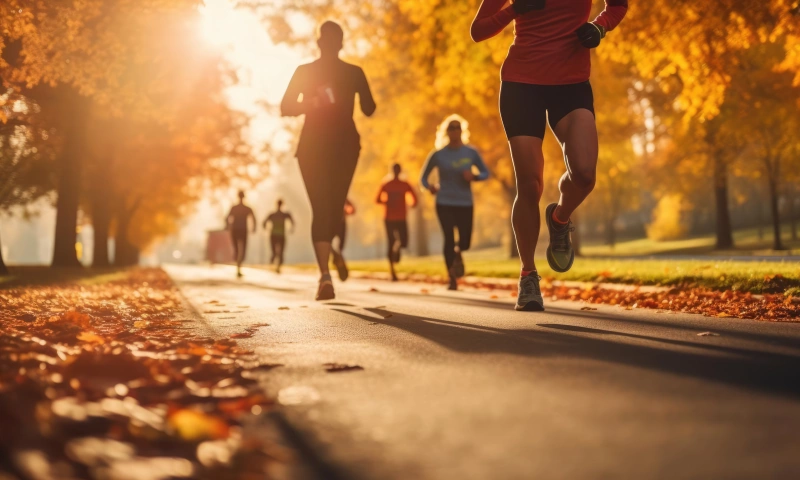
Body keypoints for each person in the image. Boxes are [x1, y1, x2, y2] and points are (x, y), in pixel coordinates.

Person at [470, 0, 628, 311]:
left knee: (584, 173)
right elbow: (478, 30)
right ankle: (528, 276)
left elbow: (619, 5)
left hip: (571, 83)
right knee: (530, 185)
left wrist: (600, 27)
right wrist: (516, 9)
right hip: (521, 84)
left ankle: (560, 218)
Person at [281, 21, 376, 301]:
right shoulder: (351, 72)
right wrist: (316, 103)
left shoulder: (309, 71)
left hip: (323, 148)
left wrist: (308, 104)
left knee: (329, 207)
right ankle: (325, 275)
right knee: (329, 206)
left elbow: (286, 107)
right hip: (333, 147)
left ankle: (327, 264)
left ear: (320, 43)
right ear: (341, 43)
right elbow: (370, 110)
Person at [420, 115, 490, 291]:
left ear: (462, 131)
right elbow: (423, 178)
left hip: (465, 202)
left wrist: (474, 176)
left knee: (465, 242)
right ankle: (451, 277)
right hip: (444, 202)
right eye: (451, 128)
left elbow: (485, 173)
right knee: (449, 239)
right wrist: (430, 187)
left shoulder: (471, 152)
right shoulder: (438, 154)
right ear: (446, 132)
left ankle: (459, 253)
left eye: (457, 127)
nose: (454, 131)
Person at [376, 164, 418, 281]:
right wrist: (387, 202)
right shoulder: (386, 184)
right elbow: (377, 199)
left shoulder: (405, 184)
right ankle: (392, 272)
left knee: (404, 242)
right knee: (391, 242)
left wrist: (411, 204)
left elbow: (415, 199)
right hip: (389, 218)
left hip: (401, 217)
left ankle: (397, 248)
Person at [226, 190, 256, 278]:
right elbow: (254, 218)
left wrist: (227, 226)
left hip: (235, 230)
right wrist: (254, 227)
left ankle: (238, 267)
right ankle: (239, 266)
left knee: (237, 249)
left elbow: (227, 218)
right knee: (242, 249)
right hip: (242, 230)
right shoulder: (247, 208)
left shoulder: (234, 208)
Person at [263, 199, 294, 273]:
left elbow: (264, 223)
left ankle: (277, 266)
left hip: (275, 235)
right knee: (279, 252)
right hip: (279, 235)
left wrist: (266, 228)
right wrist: (291, 228)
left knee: (277, 252)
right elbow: (292, 222)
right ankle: (276, 266)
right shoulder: (282, 214)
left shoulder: (275, 214)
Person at [330, 198, 355, 282]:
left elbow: (353, 209)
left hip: (341, 222)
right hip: (332, 222)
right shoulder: (327, 197)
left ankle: (337, 257)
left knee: (340, 246)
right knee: (328, 243)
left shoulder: (343, 196)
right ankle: (336, 256)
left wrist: (347, 212)